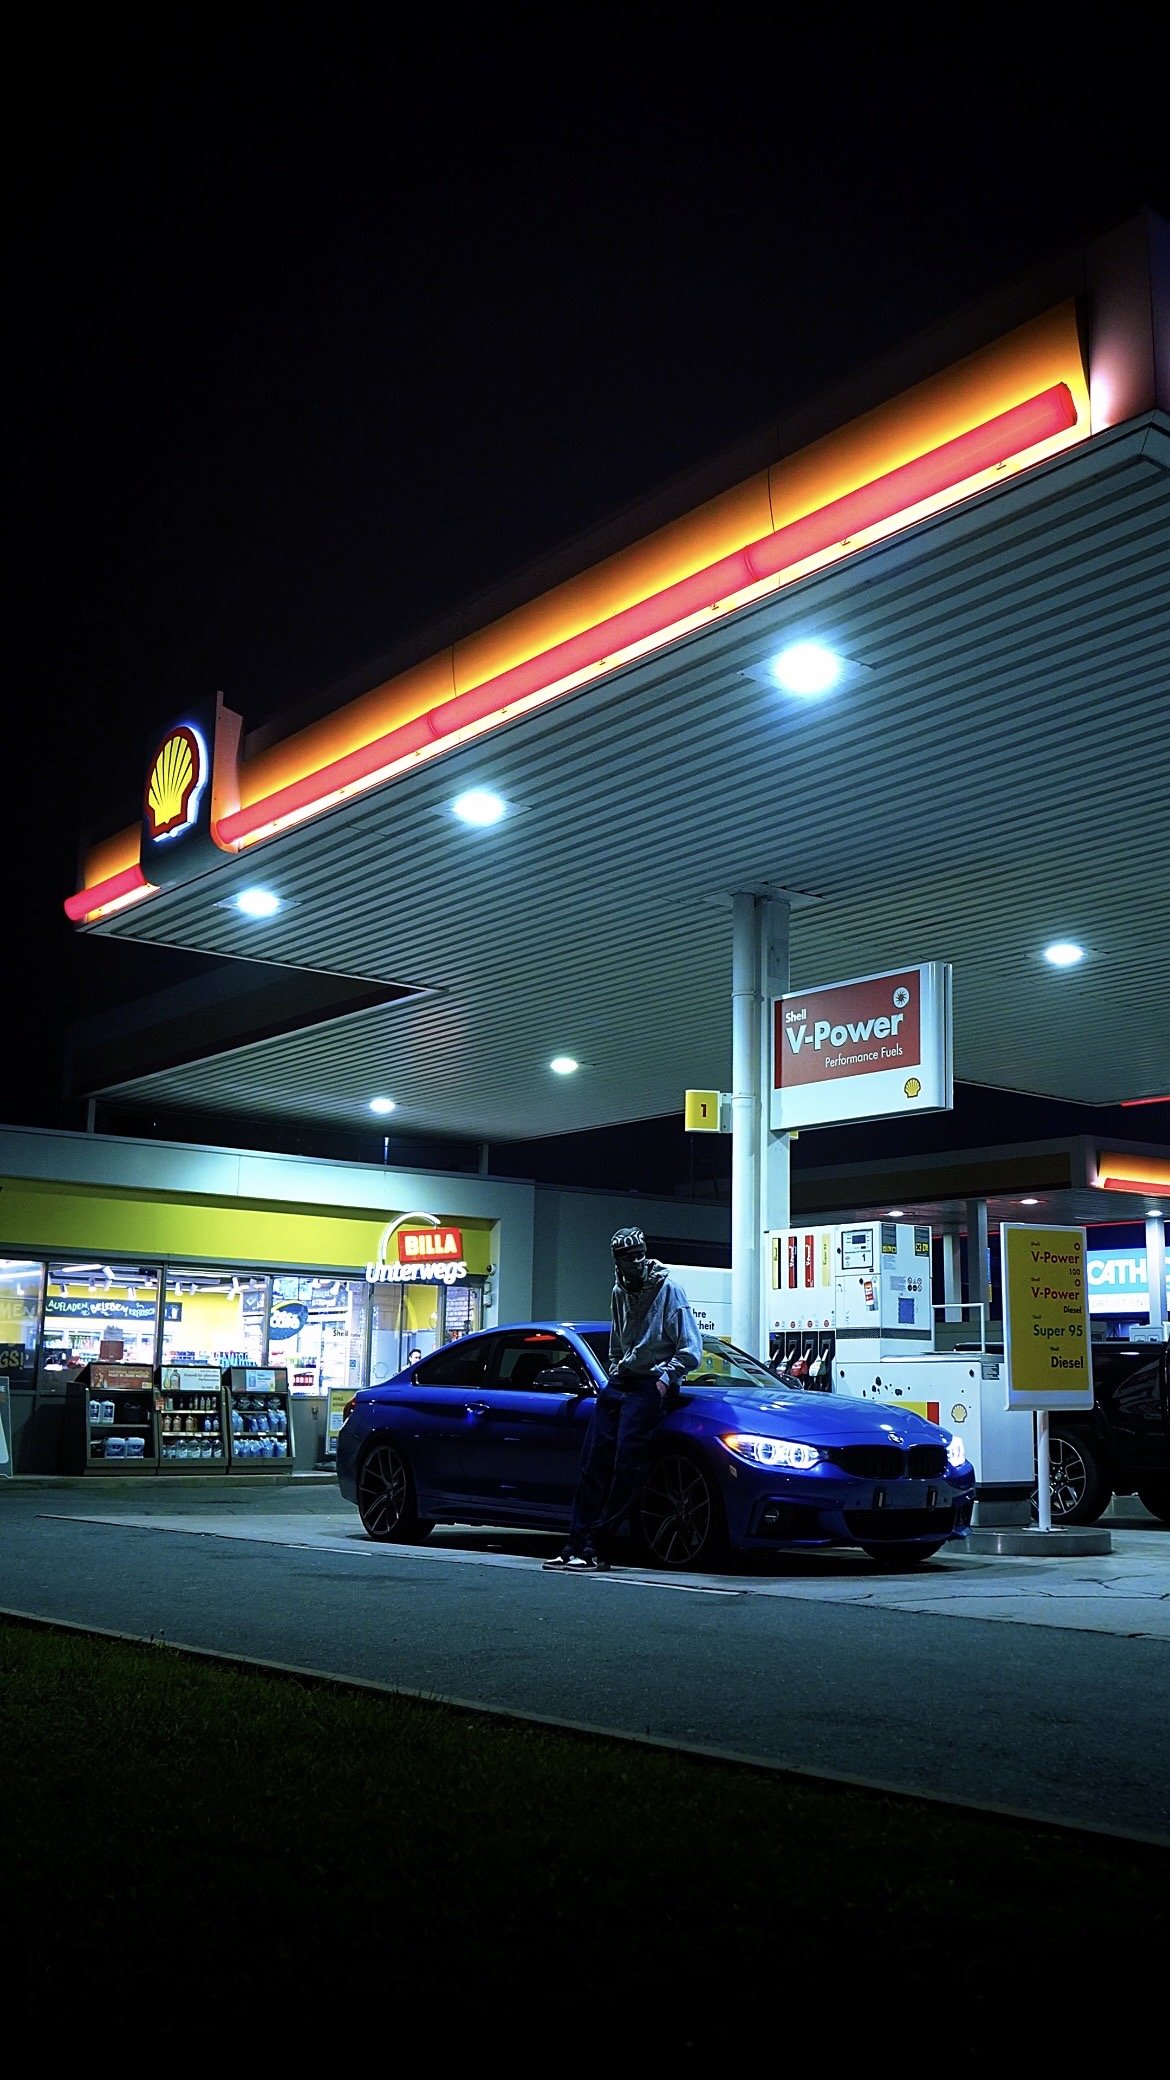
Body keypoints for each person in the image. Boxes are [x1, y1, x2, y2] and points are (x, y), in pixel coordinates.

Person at [543, 1225, 702, 1572]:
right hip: (622, 1382)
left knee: (626, 1465)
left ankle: (597, 1548)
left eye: (641, 1254)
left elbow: (691, 1349)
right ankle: (574, 1545)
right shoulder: (619, 1291)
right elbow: (617, 1341)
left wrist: (664, 1380)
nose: (637, 1261)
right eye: (630, 1257)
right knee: (592, 1463)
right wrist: (615, 1369)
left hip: (650, 1384)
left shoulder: (669, 1290)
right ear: (618, 1260)